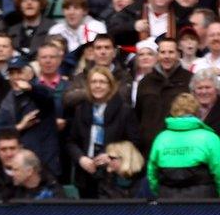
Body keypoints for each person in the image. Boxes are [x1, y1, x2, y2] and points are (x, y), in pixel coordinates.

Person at [65, 67, 140, 198]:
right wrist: (81, 158)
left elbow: (135, 141)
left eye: (102, 82)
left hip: (114, 176)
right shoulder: (81, 109)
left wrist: (111, 155)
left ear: (110, 85)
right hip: (86, 172)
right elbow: (71, 141)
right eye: (93, 82)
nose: (97, 86)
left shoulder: (124, 110)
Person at [147, 93, 220, 198]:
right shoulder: (209, 138)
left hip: (168, 200)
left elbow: (152, 174)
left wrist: (159, 193)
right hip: (203, 202)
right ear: (197, 111)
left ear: (173, 111)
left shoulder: (161, 138)